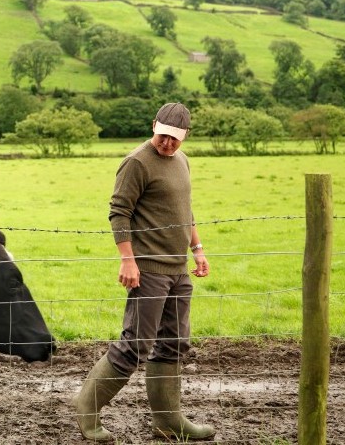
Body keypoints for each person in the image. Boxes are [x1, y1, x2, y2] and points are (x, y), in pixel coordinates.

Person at [74, 102, 215, 442]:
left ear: (185, 137)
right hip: (148, 269)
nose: (168, 144)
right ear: (154, 125)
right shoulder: (137, 162)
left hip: (178, 270)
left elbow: (185, 210)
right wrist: (128, 259)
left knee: (174, 344)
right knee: (135, 344)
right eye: (164, 136)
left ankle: (168, 422)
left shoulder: (182, 161)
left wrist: (197, 250)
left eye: (176, 139)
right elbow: (119, 212)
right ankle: (87, 411)